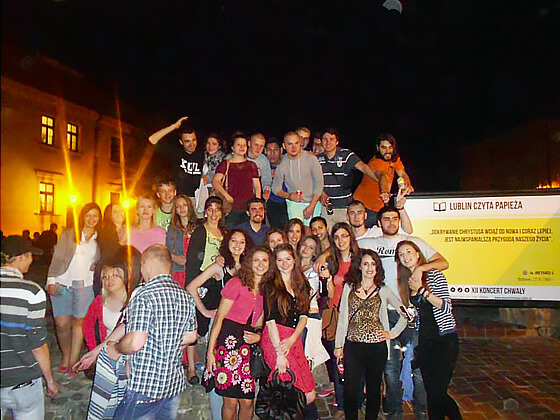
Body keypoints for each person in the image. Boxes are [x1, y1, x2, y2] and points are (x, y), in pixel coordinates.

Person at [359, 205, 449, 419]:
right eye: (386, 219)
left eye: (394, 218)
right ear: (379, 223)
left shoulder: (414, 242)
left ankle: (421, 408)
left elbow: (443, 262)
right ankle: (394, 410)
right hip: (388, 314)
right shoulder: (369, 243)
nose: (391, 222)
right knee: (390, 367)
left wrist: (420, 269)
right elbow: (340, 245)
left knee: (417, 366)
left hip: (415, 315)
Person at [108, 245, 198, 419]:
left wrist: (117, 348)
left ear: (147, 264)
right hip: (173, 385)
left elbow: (135, 343)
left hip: (145, 386)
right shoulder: (185, 295)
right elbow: (191, 336)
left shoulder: (144, 295)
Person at [335, 249, 407, 420]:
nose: (369, 268)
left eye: (373, 264)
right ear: (359, 266)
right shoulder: (349, 287)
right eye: (366, 263)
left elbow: (405, 313)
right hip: (353, 345)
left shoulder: (383, 290)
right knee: (350, 390)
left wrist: (392, 332)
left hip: (376, 347)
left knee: (374, 389)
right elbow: (343, 318)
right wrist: (339, 345)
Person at [187, 229, 251, 420]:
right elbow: (192, 287)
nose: (237, 245)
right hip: (221, 326)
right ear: (227, 243)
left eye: (242, 242)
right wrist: (205, 312)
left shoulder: (250, 267)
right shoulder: (219, 266)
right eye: (233, 241)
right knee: (217, 373)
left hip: (243, 327)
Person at [73, 247, 142, 420]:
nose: (109, 280)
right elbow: (88, 325)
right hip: (108, 353)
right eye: (106, 277)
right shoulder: (99, 301)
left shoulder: (135, 300)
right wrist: (94, 349)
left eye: (115, 275)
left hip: (128, 355)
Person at [396, 241, 462, 420]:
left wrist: (422, 291)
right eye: (401, 254)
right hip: (425, 343)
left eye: (409, 251)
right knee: (433, 392)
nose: (406, 256)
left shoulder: (433, 275)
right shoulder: (406, 282)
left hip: (444, 340)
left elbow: (445, 306)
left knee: (437, 394)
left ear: (418, 254)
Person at [205, 246, 270, 420]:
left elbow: (262, 323)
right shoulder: (237, 283)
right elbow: (219, 318)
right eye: (256, 260)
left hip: (247, 348)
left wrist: (259, 337)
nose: (260, 264)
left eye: (264, 260)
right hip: (228, 345)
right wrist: (210, 353)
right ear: (249, 262)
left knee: (248, 401)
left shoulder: (267, 290)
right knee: (230, 401)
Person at [1, 236, 60, 419]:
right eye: (29, 256)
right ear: (21, 257)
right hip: (23, 382)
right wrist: (50, 381)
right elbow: (38, 345)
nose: (32, 260)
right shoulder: (31, 292)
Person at [46, 203, 101, 374]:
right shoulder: (69, 234)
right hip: (64, 283)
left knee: (79, 322)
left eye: (95, 216)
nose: (91, 219)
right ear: (82, 216)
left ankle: (73, 359)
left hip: (85, 285)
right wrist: (51, 281)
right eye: (88, 215)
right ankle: (65, 353)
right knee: (62, 323)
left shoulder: (100, 239)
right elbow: (57, 258)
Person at [260, 244, 316, 406]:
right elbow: (270, 322)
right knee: (289, 390)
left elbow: (304, 316)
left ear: (294, 260)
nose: (284, 263)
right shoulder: (270, 285)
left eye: (287, 259)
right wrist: (280, 354)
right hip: (275, 339)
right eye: (280, 260)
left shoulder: (302, 284)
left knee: (309, 393)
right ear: (274, 262)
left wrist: (292, 339)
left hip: (293, 337)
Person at [318, 222, 360, 416]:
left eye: (344, 235)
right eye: (337, 237)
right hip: (336, 317)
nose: (341, 240)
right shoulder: (332, 261)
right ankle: (342, 404)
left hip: (356, 316)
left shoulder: (360, 260)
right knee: (338, 362)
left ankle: (357, 400)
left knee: (356, 361)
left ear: (350, 237)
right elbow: (329, 292)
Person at [185, 196, 225, 384]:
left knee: (216, 322)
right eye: (211, 209)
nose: (214, 213)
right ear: (206, 211)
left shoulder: (224, 232)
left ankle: (213, 364)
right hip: (201, 282)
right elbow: (192, 259)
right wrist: (195, 285)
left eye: (218, 209)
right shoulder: (201, 232)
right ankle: (191, 368)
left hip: (217, 283)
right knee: (195, 325)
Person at [317, 128, 382, 226]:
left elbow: (364, 168)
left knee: (346, 236)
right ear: (321, 141)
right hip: (327, 208)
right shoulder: (317, 159)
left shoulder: (346, 155)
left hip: (345, 207)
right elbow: (312, 181)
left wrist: (380, 181)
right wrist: (321, 193)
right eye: (325, 139)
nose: (327, 142)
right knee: (328, 238)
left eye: (331, 139)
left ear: (337, 141)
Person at [354, 133, 414, 228]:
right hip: (365, 206)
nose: (388, 151)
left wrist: (408, 185)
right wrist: (384, 192)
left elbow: (402, 174)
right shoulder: (375, 162)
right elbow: (383, 176)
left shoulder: (395, 159)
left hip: (379, 207)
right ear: (378, 148)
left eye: (390, 147)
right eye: (384, 148)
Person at [148, 117, 204, 204]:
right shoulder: (176, 152)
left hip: (196, 200)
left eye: (194, 140)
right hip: (178, 199)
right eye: (187, 141)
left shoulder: (201, 154)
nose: (191, 144)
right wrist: (174, 126)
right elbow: (152, 139)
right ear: (181, 142)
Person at [271, 132, 324, 226]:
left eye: (296, 143)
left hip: (313, 202)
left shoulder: (311, 159)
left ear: (300, 143)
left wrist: (312, 206)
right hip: (294, 204)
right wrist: (289, 196)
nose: (293, 147)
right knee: (296, 232)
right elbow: (276, 188)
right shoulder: (282, 163)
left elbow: (319, 184)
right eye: (290, 144)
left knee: (312, 233)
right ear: (284, 146)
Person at [213, 133, 261, 229]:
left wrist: (257, 204)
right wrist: (227, 196)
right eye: (238, 145)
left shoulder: (251, 165)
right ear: (232, 147)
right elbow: (215, 182)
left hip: (248, 208)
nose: (242, 147)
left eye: (244, 145)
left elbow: (257, 186)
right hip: (231, 207)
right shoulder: (225, 164)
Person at [348, 193, 412, 244]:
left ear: (365, 215)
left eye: (359, 213)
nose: (356, 217)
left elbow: (407, 231)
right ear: (347, 217)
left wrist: (401, 208)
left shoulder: (377, 232)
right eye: (352, 213)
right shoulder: (344, 237)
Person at [166, 194, 198, 287]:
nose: (182, 208)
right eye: (178, 206)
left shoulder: (199, 227)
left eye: (184, 205)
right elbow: (167, 250)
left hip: (195, 272)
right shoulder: (172, 229)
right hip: (178, 271)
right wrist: (177, 258)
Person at [95, 203, 127, 295]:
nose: (120, 213)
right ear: (110, 215)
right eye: (115, 212)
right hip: (107, 273)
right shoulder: (105, 231)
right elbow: (110, 253)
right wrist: (123, 239)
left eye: (121, 211)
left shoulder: (126, 229)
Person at [265, 137, 288, 228]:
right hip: (271, 204)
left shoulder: (288, 163)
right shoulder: (263, 167)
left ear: (281, 150)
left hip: (289, 202)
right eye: (269, 150)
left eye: (276, 150)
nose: (272, 153)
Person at [248, 132, 273, 201]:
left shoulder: (264, 160)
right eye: (256, 145)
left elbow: (267, 180)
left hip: (254, 195)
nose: (258, 148)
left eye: (261, 146)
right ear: (249, 144)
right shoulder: (239, 155)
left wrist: (266, 190)